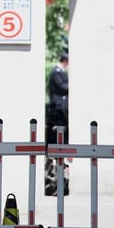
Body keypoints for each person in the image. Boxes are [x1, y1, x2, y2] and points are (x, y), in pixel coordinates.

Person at [45, 52, 70, 196]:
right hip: (58, 109)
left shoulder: (60, 71)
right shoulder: (56, 72)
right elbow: (61, 87)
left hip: (62, 110)